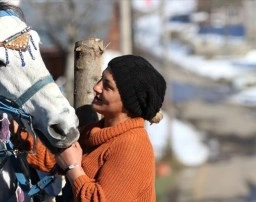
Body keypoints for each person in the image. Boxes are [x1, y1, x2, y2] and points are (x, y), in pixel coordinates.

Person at [23, 55, 167, 202]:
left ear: (128, 103)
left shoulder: (133, 146)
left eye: (107, 86)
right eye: (100, 79)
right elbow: (56, 159)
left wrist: (73, 168)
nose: (96, 87)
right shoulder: (95, 132)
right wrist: (15, 132)